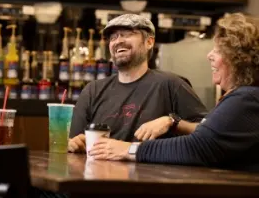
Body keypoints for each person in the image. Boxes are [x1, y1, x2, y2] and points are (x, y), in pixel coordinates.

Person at [89, 13, 259, 172]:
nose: (209, 55)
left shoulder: (247, 99)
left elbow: (197, 147)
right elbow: (206, 131)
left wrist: (129, 149)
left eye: (218, 50)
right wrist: (173, 121)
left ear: (239, 58)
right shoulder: (243, 97)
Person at [68, 13, 208, 153]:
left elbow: (208, 132)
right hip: (99, 173)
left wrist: (172, 121)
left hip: (152, 174)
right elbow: (74, 142)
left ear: (149, 42)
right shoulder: (93, 90)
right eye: (113, 37)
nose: (118, 41)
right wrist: (74, 145)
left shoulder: (171, 84)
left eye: (127, 34)